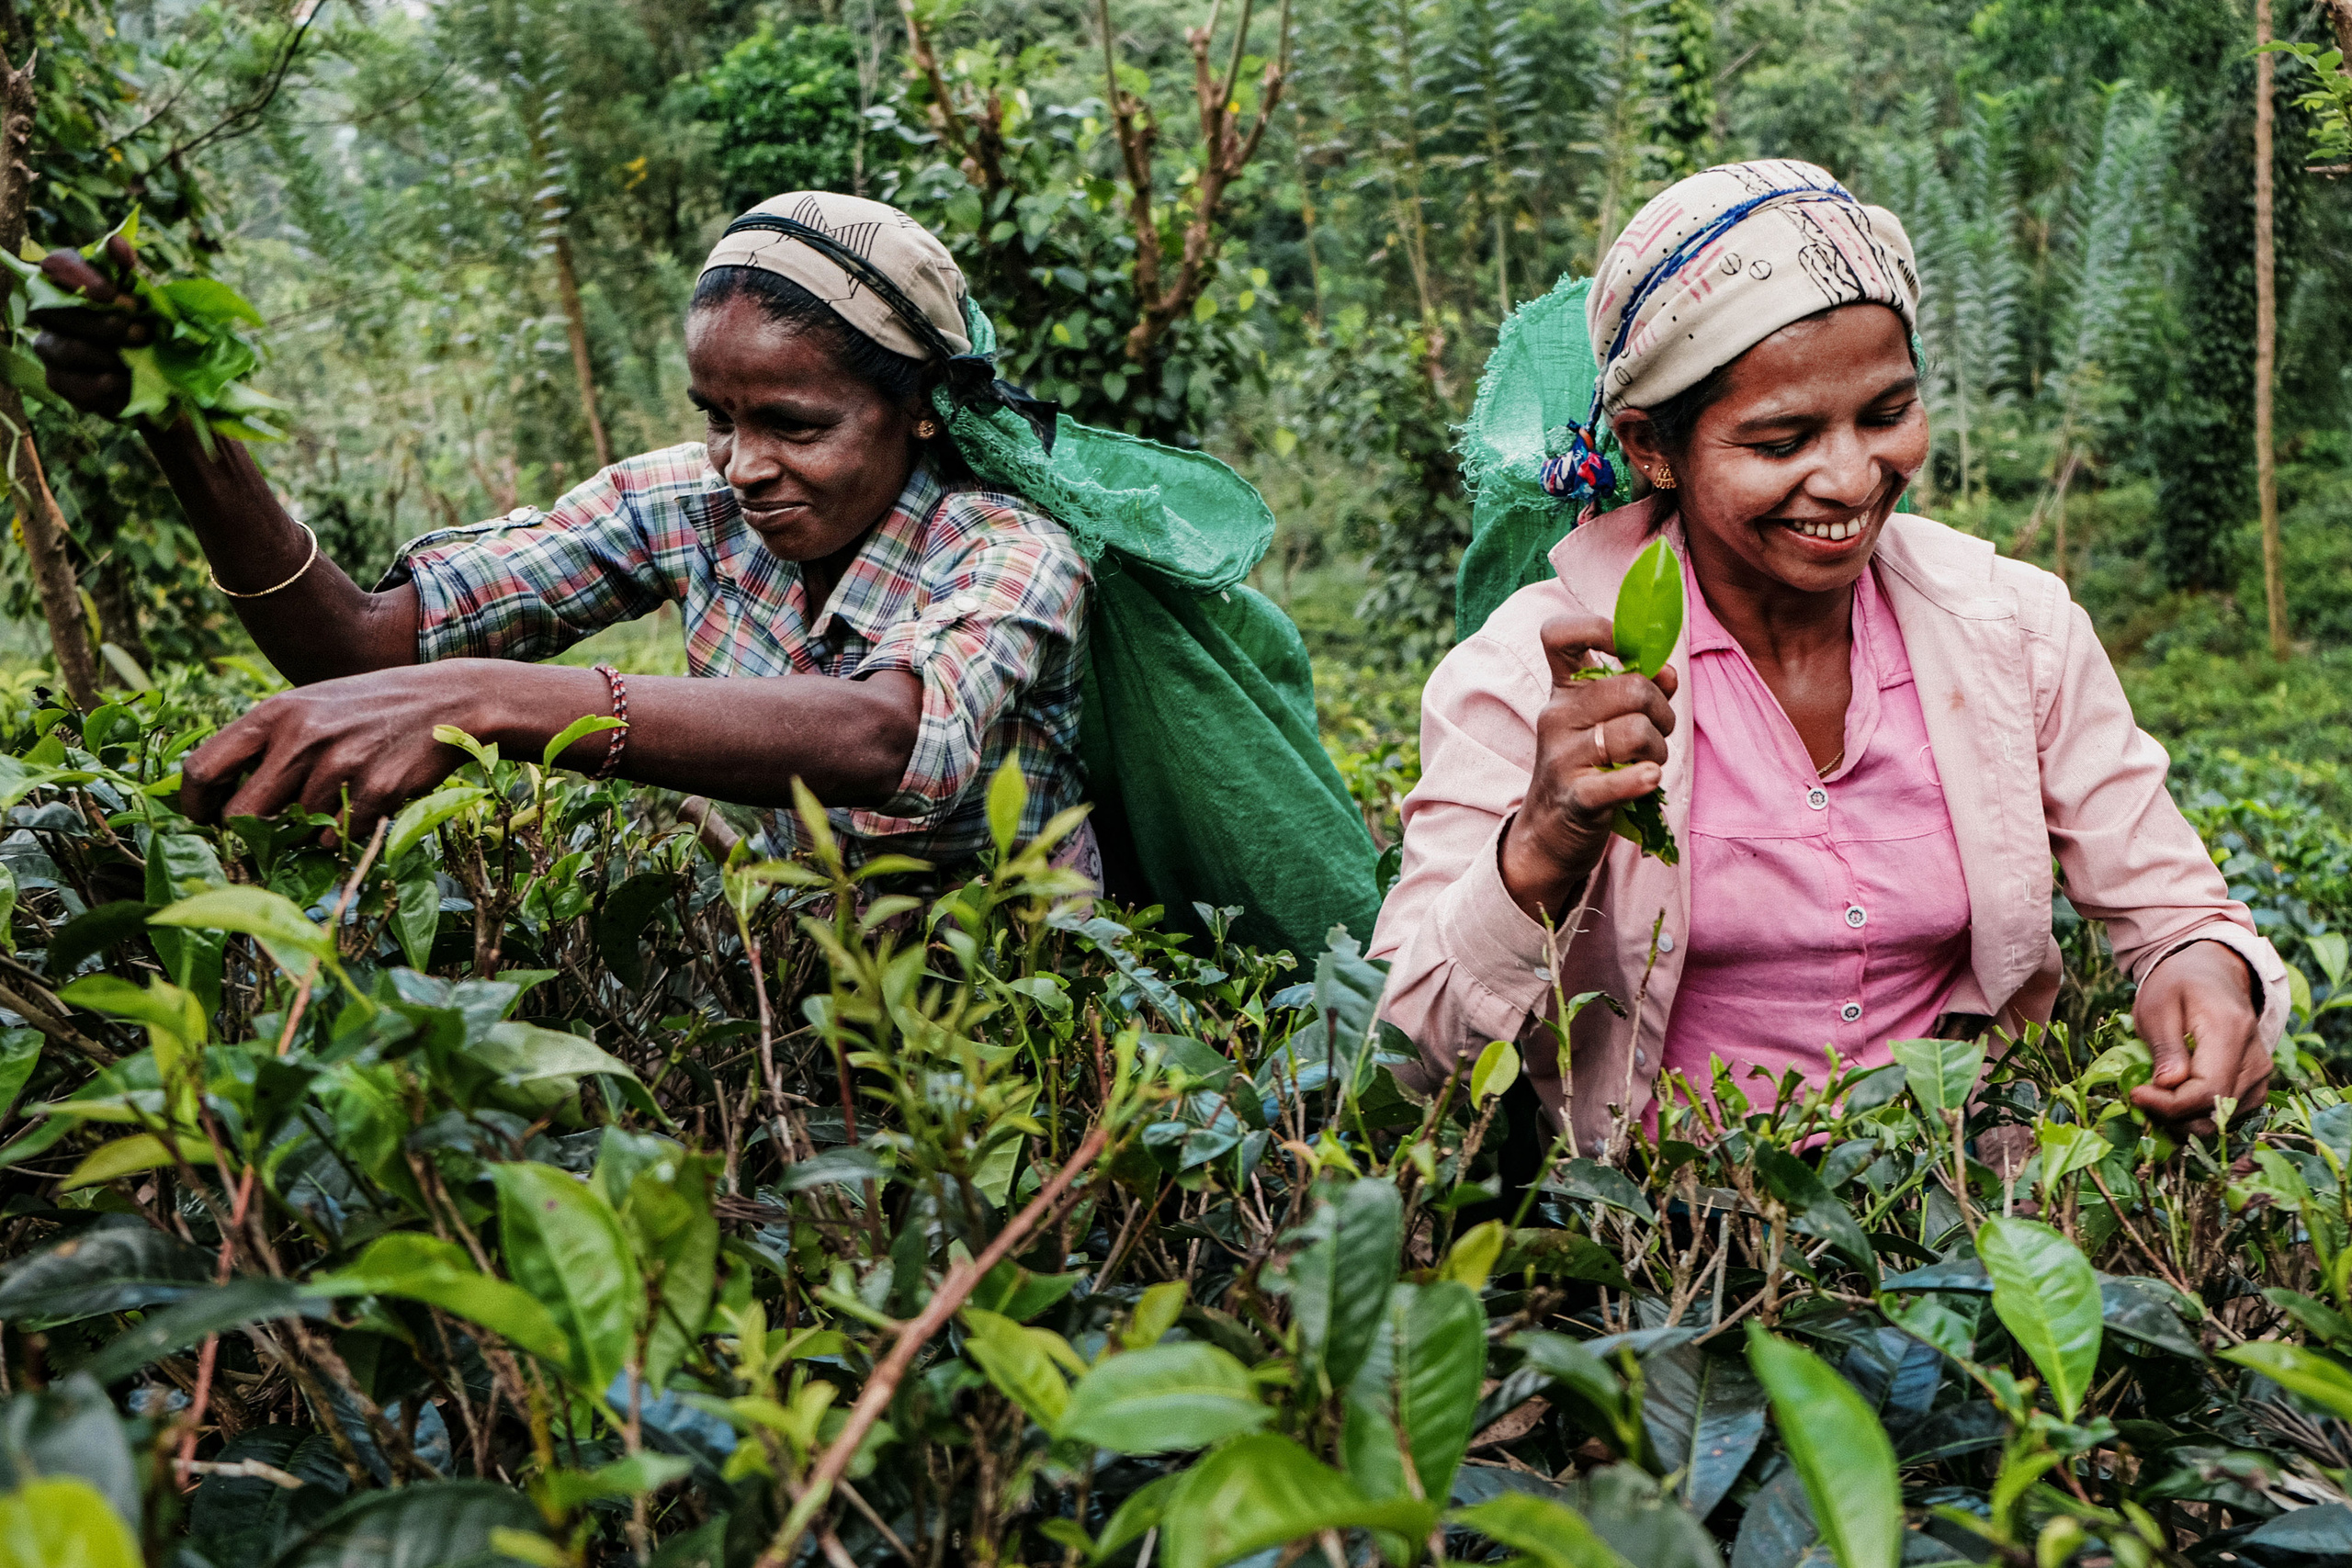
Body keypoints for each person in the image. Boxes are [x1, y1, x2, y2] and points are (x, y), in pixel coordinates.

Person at [1370, 159, 2284, 1157]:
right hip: (1667, 1254)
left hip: (1964, 1209)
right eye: (1780, 439)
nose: (1851, 478)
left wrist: (2202, 972)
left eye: (1886, 415)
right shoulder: (1529, 678)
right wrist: (1543, 841)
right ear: (1650, 447)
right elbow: (1405, 1063)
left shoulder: (2015, 630)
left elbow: (2173, 908)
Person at [31, 193, 1094, 877]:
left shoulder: (1008, 548)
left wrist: (491, 700)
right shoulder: (687, 504)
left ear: (917, 411)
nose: (744, 464)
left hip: (1018, 1034)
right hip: (807, 1008)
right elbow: (362, 646)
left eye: (794, 425)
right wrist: (180, 424)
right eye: (718, 418)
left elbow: (884, 736)